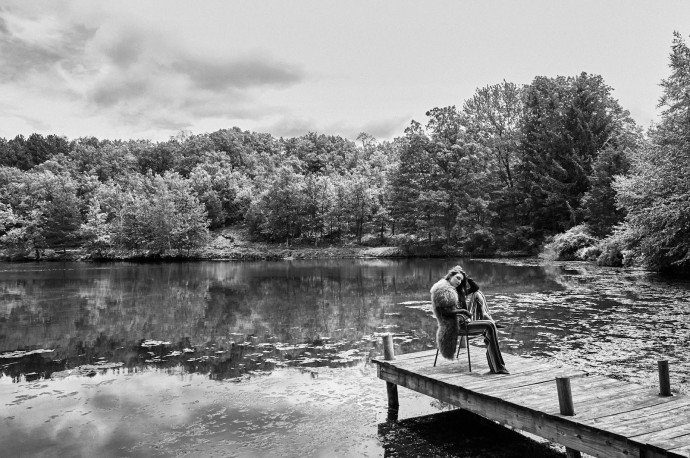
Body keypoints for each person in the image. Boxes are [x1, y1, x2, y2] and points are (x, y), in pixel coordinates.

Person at [430, 265, 509, 374]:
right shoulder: (444, 290)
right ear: (451, 275)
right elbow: (444, 312)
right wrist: (463, 311)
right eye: (457, 278)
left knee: (478, 294)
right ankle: (498, 366)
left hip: (464, 320)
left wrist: (466, 278)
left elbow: (475, 288)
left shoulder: (456, 291)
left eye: (461, 280)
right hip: (456, 325)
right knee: (490, 325)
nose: (459, 281)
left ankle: (498, 365)